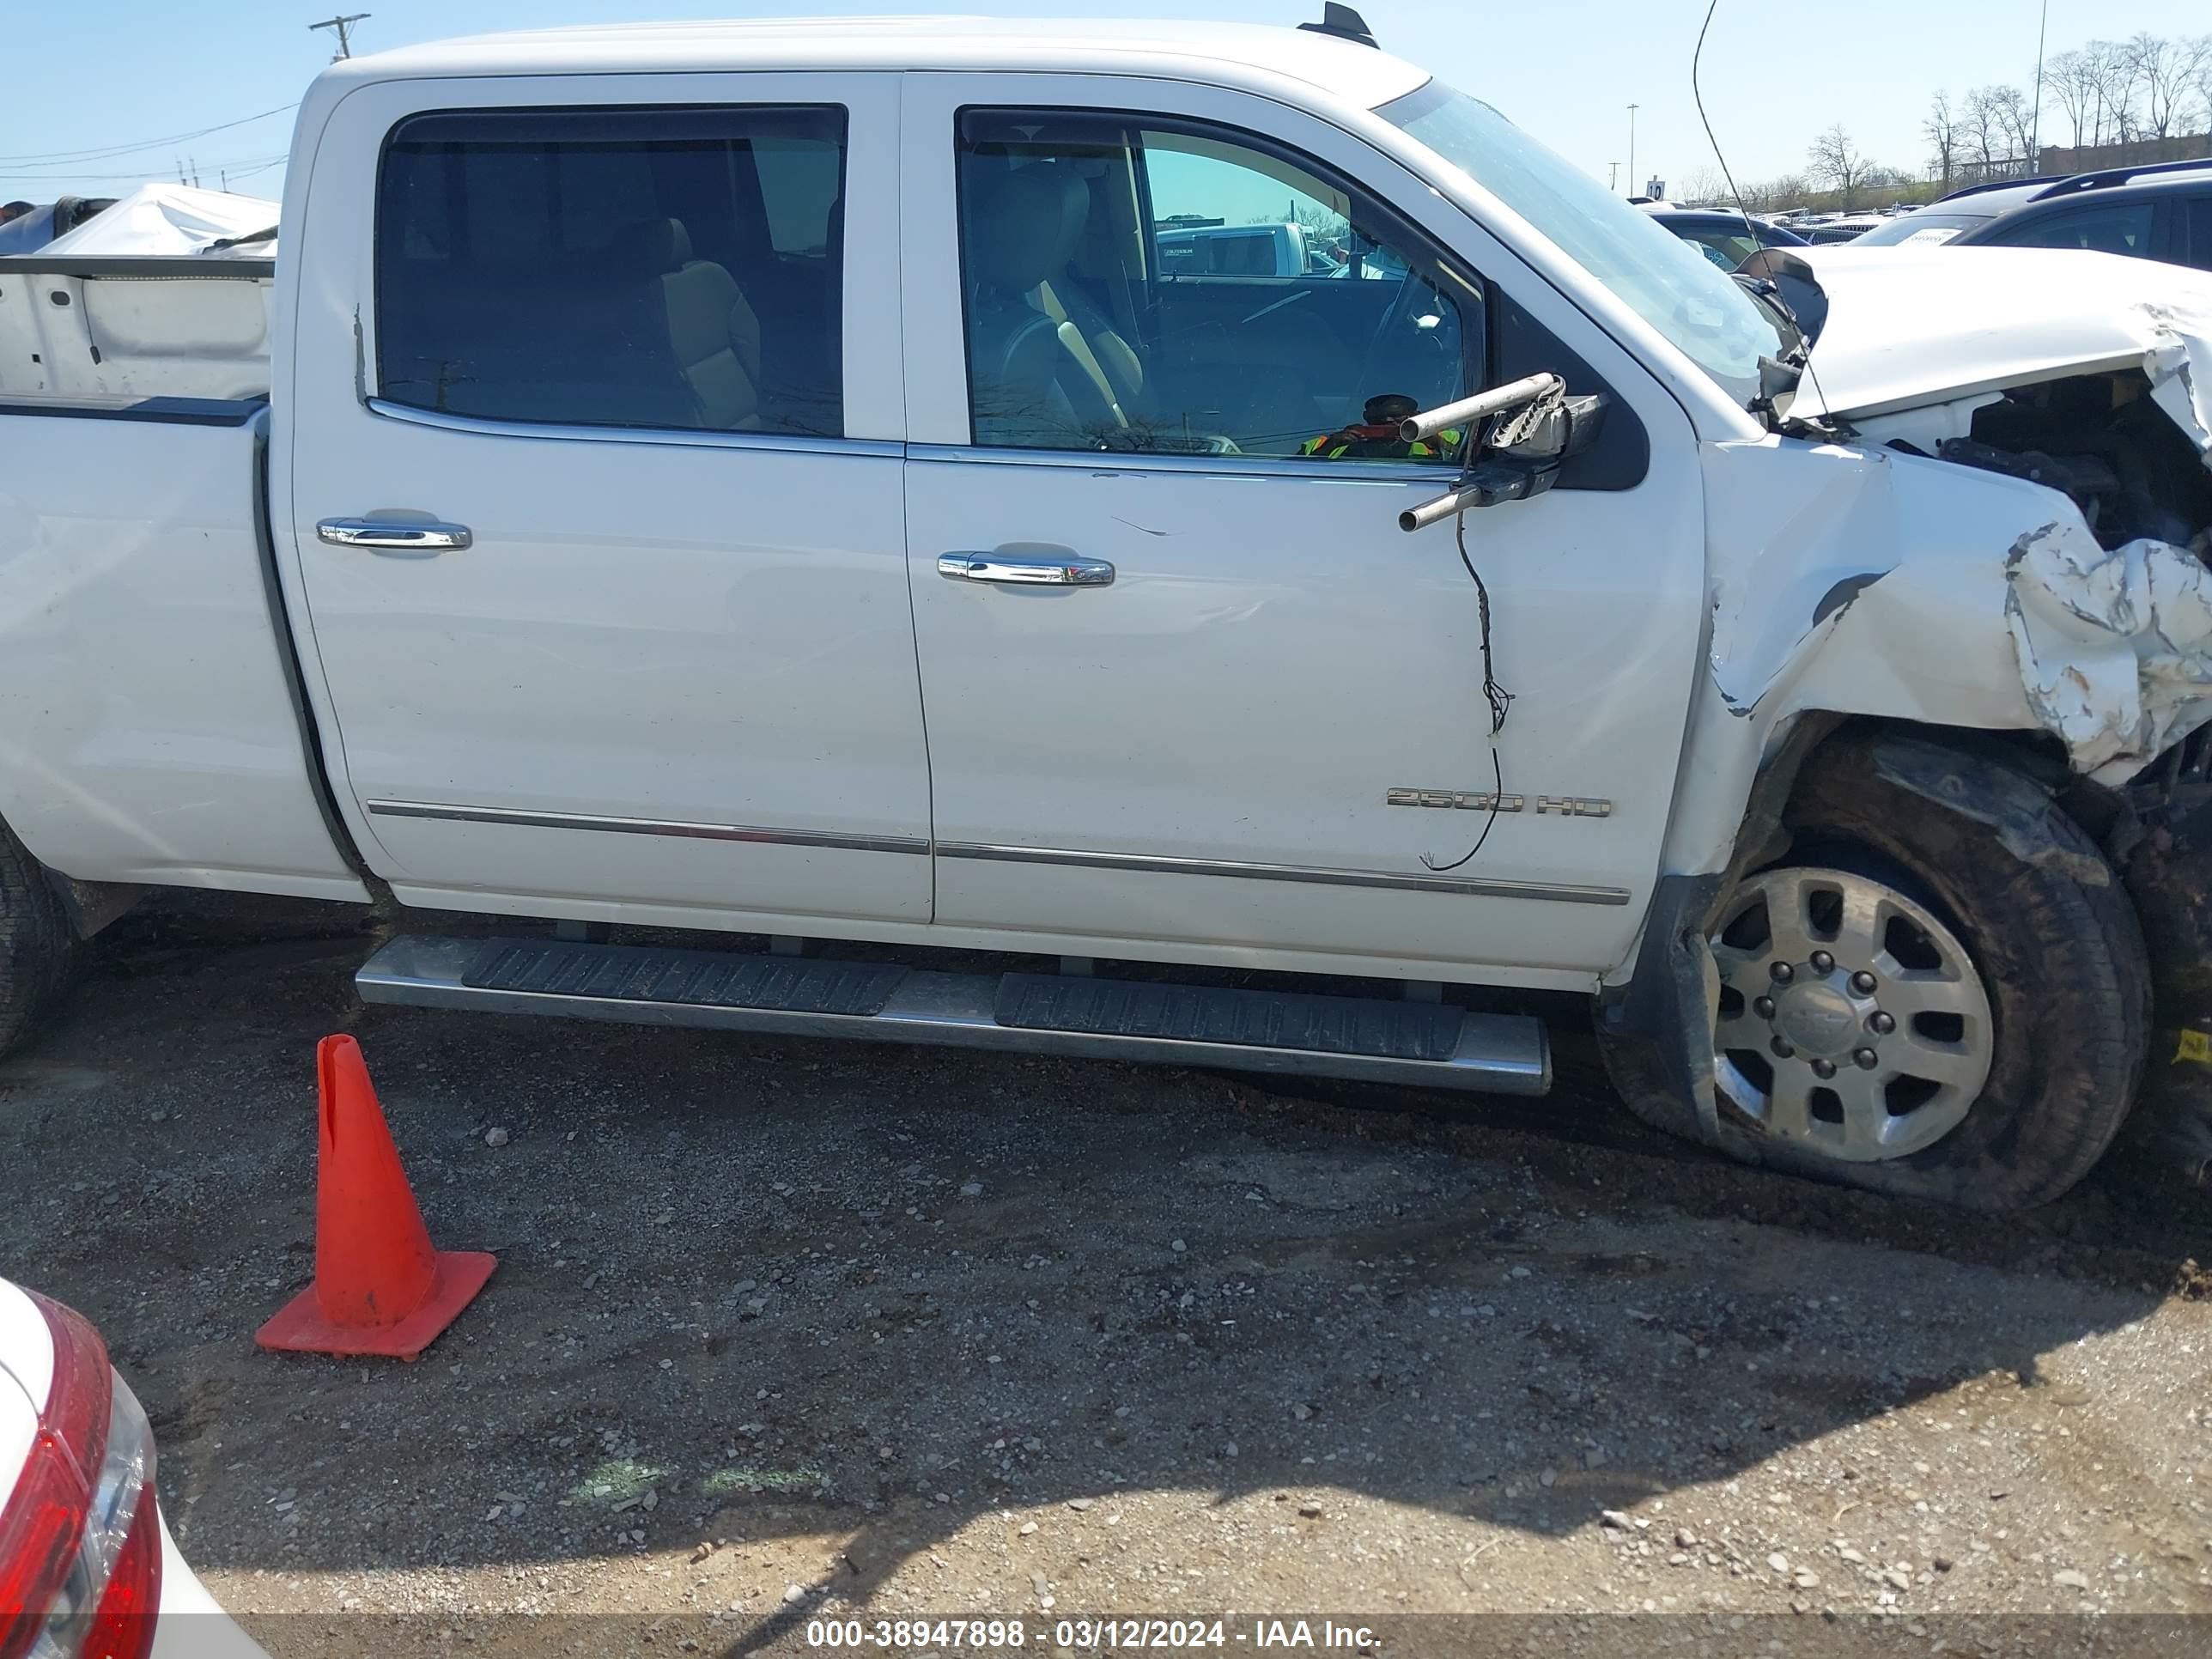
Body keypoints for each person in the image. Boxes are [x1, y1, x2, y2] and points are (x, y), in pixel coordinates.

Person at [1298, 392, 1462, 461]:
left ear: (1416, 415)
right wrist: (1330, 445)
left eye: (1397, 419)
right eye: (1378, 420)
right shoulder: (1328, 443)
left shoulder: (1446, 437)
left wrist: (1438, 443)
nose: (1388, 422)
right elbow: (1293, 470)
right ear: (1365, 418)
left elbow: (1480, 463)